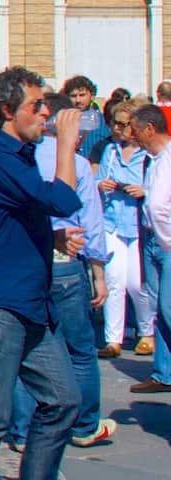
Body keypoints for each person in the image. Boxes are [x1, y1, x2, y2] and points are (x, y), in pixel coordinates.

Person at [0, 66, 84, 480]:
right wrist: (65, 145)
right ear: (8, 111)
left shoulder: (18, 157)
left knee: (63, 400)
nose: (45, 112)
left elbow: (15, 215)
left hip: (29, 304)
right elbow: (61, 199)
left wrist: (51, 239)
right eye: (36, 105)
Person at [6, 93, 120, 452]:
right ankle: (85, 424)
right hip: (66, 264)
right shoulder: (78, 163)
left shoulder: (19, 158)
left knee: (28, 345)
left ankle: (23, 431)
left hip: (27, 262)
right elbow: (92, 222)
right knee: (80, 350)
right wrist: (100, 272)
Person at [97, 99, 155, 358]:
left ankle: (147, 332)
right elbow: (98, 180)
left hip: (138, 222)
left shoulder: (148, 156)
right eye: (115, 123)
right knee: (114, 280)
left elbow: (157, 187)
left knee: (136, 283)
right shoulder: (110, 151)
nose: (118, 129)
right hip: (113, 221)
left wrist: (143, 191)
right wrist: (103, 185)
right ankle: (113, 339)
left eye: (123, 124)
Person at [133, 103, 171, 394]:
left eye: (135, 130)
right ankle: (163, 372)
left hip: (165, 241)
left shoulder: (167, 159)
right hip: (154, 239)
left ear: (150, 128)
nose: (132, 136)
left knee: (168, 309)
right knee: (160, 309)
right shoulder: (153, 158)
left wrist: (166, 241)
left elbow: (158, 206)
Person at [63, 76, 109, 160]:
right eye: (73, 96)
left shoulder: (104, 122)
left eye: (82, 95)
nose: (78, 100)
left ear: (92, 96)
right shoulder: (63, 121)